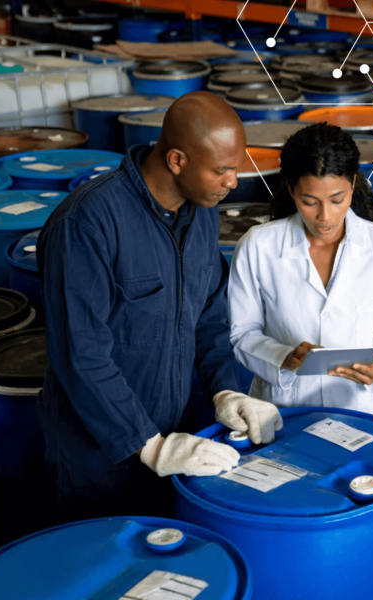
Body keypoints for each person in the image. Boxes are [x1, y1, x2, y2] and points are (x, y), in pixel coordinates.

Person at [37, 91, 282, 522]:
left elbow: (209, 317)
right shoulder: (87, 225)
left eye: (236, 168)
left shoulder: (201, 212)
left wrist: (225, 391)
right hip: (99, 458)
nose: (232, 182)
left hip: (181, 442)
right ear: (176, 160)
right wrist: (150, 445)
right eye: (221, 170)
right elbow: (81, 354)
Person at [227, 122, 373, 420]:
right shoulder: (258, 246)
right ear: (291, 189)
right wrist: (284, 357)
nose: (325, 216)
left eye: (337, 199)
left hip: (362, 411)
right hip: (282, 410)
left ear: (353, 184)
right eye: (309, 202)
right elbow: (242, 332)